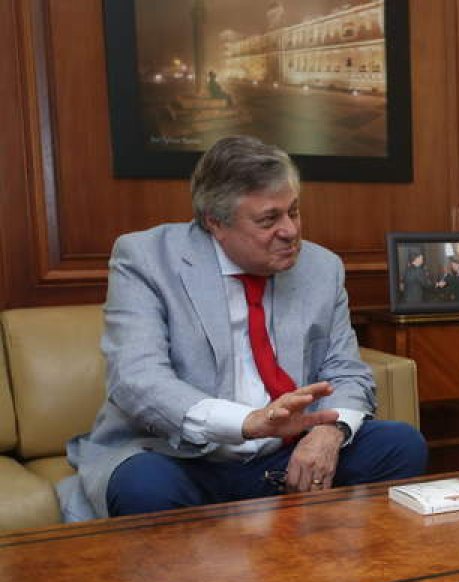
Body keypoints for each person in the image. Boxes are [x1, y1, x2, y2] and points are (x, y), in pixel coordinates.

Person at [65, 135, 428, 518]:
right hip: (186, 458)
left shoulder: (321, 268)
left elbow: (347, 371)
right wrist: (247, 422)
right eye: (269, 219)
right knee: (143, 487)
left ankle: (330, 570)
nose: (290, 230)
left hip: (285, 455)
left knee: (401, 444)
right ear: (215, 223)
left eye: (294, 211)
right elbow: (136, 378)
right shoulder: (147, 259)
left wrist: (329, 433)